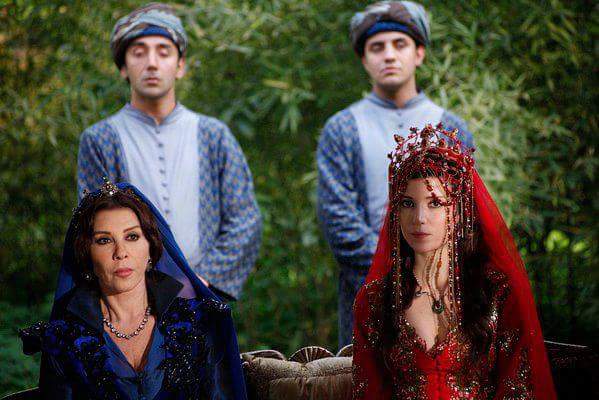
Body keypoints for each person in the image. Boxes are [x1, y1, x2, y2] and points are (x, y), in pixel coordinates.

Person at [351, 125, 556, 399]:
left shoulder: (497, 293)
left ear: (458, 212)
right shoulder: (375, 300)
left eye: (435, 203)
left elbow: (519, 389)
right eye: (408, 204)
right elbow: (369, 393)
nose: (419, 218)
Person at [77, 3, 261, 300]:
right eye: (139, 53)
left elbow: (245, 219)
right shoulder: (100, 140)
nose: (152, 63)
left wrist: (203, 281)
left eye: (163, 52)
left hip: (205, 297)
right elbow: (93, 228)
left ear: (180, 65)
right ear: (123, 67)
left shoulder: (213, 135)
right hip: (131, 303)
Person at [317, 0, 474, 347]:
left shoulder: (451, 128)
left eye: (399, 44)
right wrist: (391, 272)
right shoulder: (342, 128)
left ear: (419, 53)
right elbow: (338, 220)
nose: (388, 55)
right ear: (364, 59)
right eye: (377, 47)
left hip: (443, 294)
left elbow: (467, 214)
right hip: (366, 292)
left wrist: (428, 275)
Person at [20, 181, 248, 399]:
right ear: (86, 254)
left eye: (132, 236)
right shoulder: (63, 340)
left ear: (151, 246)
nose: (121, 252)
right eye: (104, 240)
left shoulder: (202, 322)